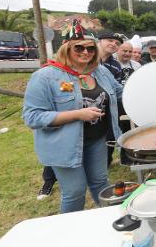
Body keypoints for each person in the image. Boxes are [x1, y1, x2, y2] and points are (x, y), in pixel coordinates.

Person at [23, 20, 122, 213]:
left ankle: (112, 221)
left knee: (101, 182)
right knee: (75, 191)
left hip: (96, 140)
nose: (86, 53)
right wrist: (77, 114)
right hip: (64, 146)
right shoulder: (45, 76)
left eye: (91, 49)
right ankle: (69, 233)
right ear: (66, 48)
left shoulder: (100, 71)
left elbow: (119, 92)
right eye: (79, 48)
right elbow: (32, 117)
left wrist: (149, 90)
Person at [97, 31, 124, 167]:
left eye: (117, 43)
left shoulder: (116, 66)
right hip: (87, 106)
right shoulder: (89, 58)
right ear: (100, 40)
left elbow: (117, 89)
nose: (113, 44)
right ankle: (48, 181)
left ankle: (106, 162)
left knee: (109, 135)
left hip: (108, 106)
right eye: (110, 40)